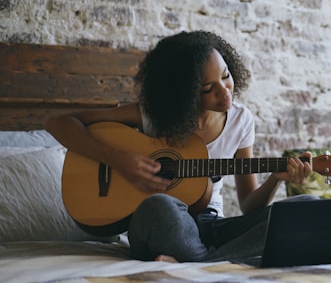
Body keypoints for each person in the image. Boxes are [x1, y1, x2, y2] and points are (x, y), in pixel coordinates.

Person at [46, 30, 315, 263]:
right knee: (160, 206)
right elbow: (59, 122)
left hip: (210, 227)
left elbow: (249, 205)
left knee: (307, 206)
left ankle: (193, 260)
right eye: (208, 88)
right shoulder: (155, 117)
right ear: (182, 92)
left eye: (226, 76)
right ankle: (212, 259)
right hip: (161, 226)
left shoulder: (241, 121)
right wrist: (119, 161)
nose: (225, 91)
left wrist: (276, 180)